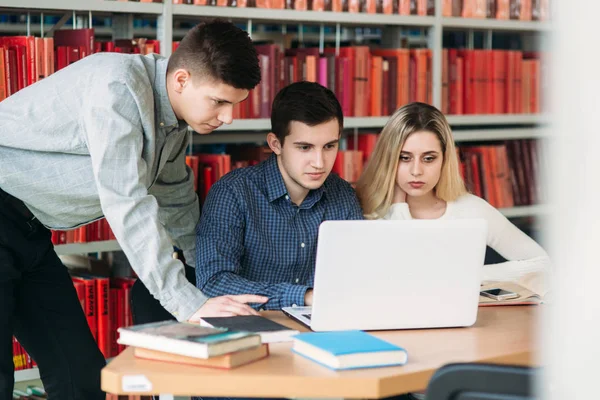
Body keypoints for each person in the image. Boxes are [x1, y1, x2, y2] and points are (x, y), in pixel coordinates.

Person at [0, 20, 267, 400]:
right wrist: (190, 305)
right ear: (181, 80)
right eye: (220, 102)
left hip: (29, 231)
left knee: (85, 380)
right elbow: (126, 202)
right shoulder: (119, 88)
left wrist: (208, 279)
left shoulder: (173, 122)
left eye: (234, 105)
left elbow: (177, 201)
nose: (228, 118)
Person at [195, 81, 364, 311]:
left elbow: (357, 278)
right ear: (275, 144)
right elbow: (213, 283)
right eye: (305, 147)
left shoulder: (343, 195)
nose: (319, 162)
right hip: (251, 330)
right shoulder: (233, 193)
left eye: (329, 146)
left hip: (324, 329)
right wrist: (303, 296)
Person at [355, 102, 551, 296]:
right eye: (404, 158)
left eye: (429, 158)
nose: (416, 171)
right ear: (388, 159)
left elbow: (541, 264)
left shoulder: (470, 209)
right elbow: (406, 279)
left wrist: (471, 276)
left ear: (445, 159)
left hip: (461, 324)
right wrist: (398, 208)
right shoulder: (366, 212)